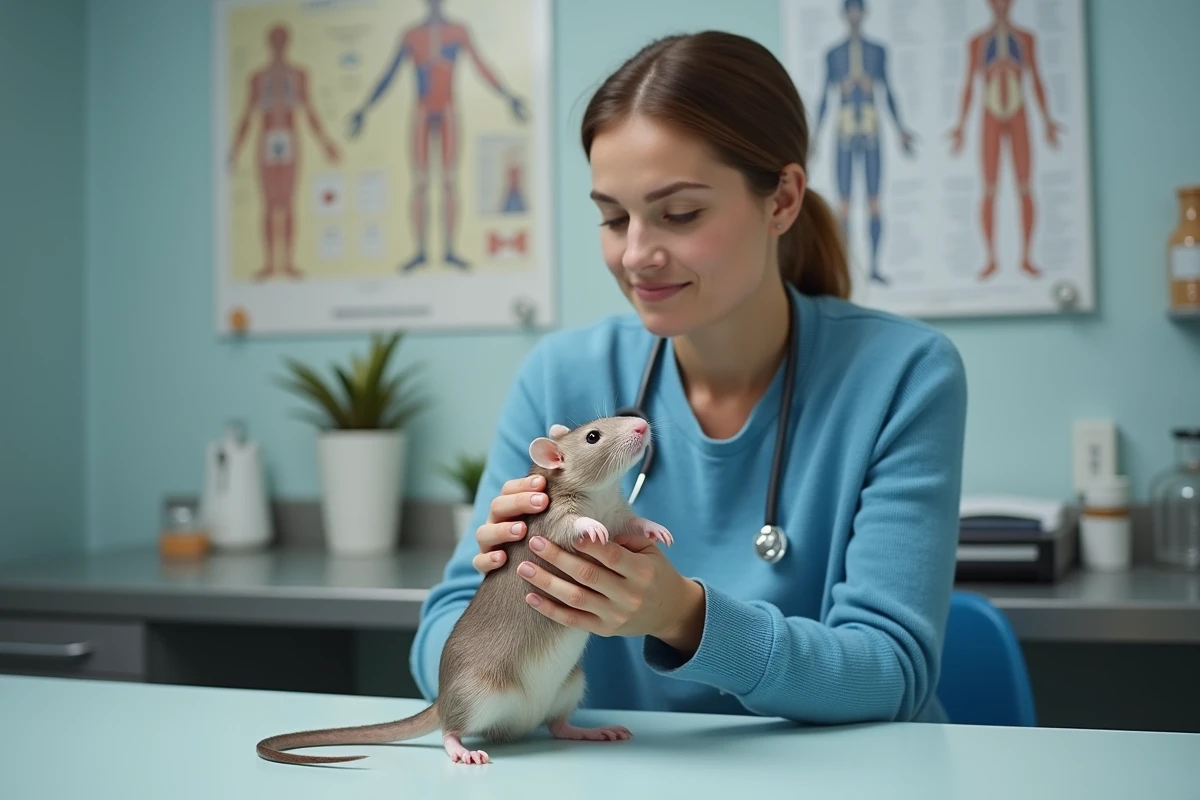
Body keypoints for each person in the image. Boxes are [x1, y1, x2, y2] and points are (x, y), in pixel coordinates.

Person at [411, 30, 968, 726]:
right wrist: (504, 589)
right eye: (613, 218)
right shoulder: (560, 376)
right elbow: (438, 640)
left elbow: (892, 674)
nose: (636, 254)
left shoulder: (904, 376)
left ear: (782, 200)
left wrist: (685, 617)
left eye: (679, 214)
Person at [347, 0, 528, 272]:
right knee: (420, 182)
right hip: (421, 111)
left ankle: (448, 251)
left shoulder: (458, 31)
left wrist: (508, 96)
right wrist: (365, 108)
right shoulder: (411, 35)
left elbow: (482, 66)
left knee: (448, 182)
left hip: (447, 111)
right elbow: (389, 74)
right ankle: (420, 251)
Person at [947, 0, 1062, 280]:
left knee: (1024, 187)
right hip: (990, 115)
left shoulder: (1025, 39)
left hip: (1018, 113)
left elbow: (1036, 79)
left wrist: (1047, 120)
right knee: (989, 189)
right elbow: (968, 85)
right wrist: (960, 125)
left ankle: (1026, 257)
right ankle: (991, 258)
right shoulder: (977, 42)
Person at [813, 0, 916, 286]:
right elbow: (825, 95)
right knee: (844, 203)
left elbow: (889, 90)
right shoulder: (834, 54)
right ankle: (845, 267)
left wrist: (900, 129)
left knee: (873, 202)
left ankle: (873, 267)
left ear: (864, 14)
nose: (855, 16)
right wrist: (815, 135)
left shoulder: (877, 51)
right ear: (845, 15)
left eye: (859, 10)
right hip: (844, 127)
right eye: (851, 10)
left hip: (871, 126)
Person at [228, 23, 342, 281]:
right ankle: (269, 263)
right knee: (269, 203)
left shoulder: (299, 75)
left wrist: (326, 142)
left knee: (288, 202)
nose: (279, 43)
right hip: (267, 139)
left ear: (287, 42)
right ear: (270, 42)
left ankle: (288, 262)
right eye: (275, 39)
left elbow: (309, 110)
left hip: (289, 139)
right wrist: (234, 149)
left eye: (283, 39)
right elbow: (247, 114)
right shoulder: (257, 78)